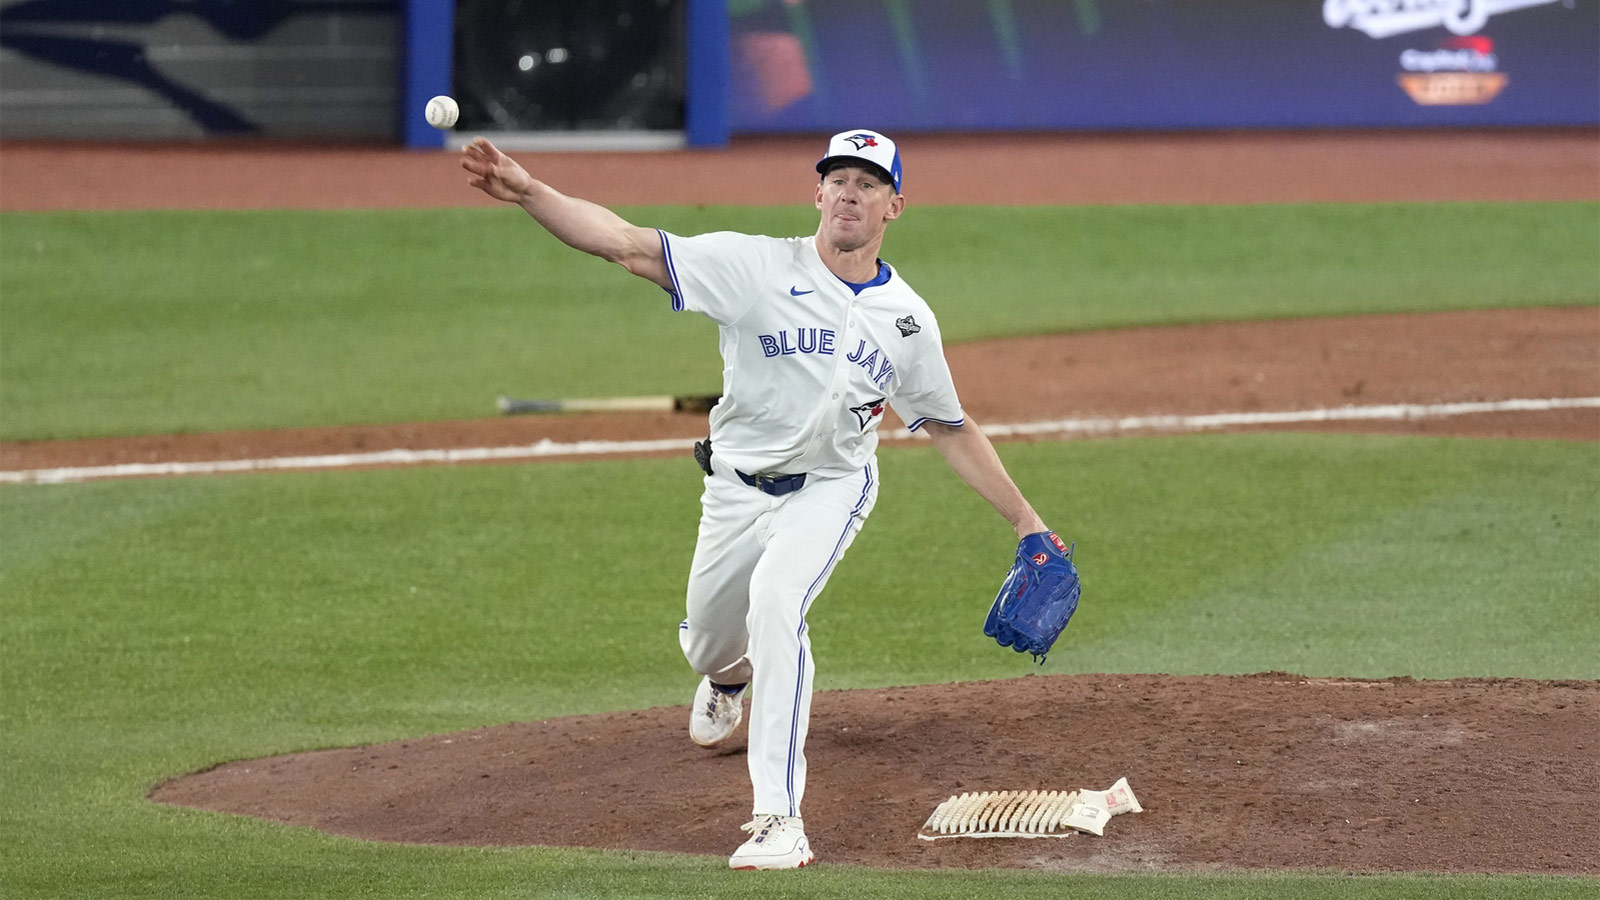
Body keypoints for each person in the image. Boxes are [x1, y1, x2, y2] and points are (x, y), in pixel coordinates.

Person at [462, 130, 1056, 870]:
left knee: (777, 602)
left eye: (868, 184)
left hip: (832, 489)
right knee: (711, 640)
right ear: (816, 194)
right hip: (734, 491)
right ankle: (725, 678)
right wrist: (527, 192)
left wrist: (1026, 520)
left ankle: (778, 819)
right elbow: (625, 243)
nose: (849, 192)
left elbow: (948, 427)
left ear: (894, 206)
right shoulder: (755, 267)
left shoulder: (907, 321)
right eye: (838, 178)